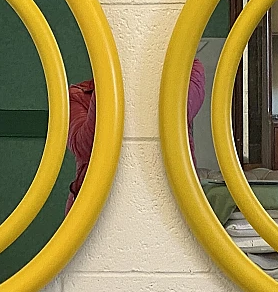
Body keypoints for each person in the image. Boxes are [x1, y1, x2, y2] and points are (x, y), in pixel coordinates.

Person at [65, 59, 205, 213]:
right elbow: (85, 147)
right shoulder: (78, 95)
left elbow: (176, 114)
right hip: (95, 210)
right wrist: (107, 80)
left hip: (168, 205)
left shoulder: (189, 65)